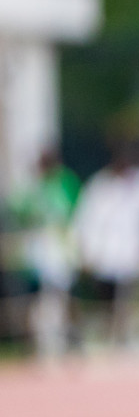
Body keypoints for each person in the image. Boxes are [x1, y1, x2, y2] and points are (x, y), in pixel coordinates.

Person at [73, 141, 139, 349]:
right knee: (106, 301)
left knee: (131, 300)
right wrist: (86, 251)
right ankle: (109, 337)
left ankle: (128, 337)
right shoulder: (99, 186)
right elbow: (86, 221)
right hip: (105, 257)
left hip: (131, 255)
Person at [11, 149, 80, 359]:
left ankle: (72, 340)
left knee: (63, 296)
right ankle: (33, 343)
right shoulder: (34, 189)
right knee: (34, 299)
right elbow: (19, 210)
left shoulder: (66, 183)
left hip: (59, 250)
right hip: (38, 251)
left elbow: (72, 212)